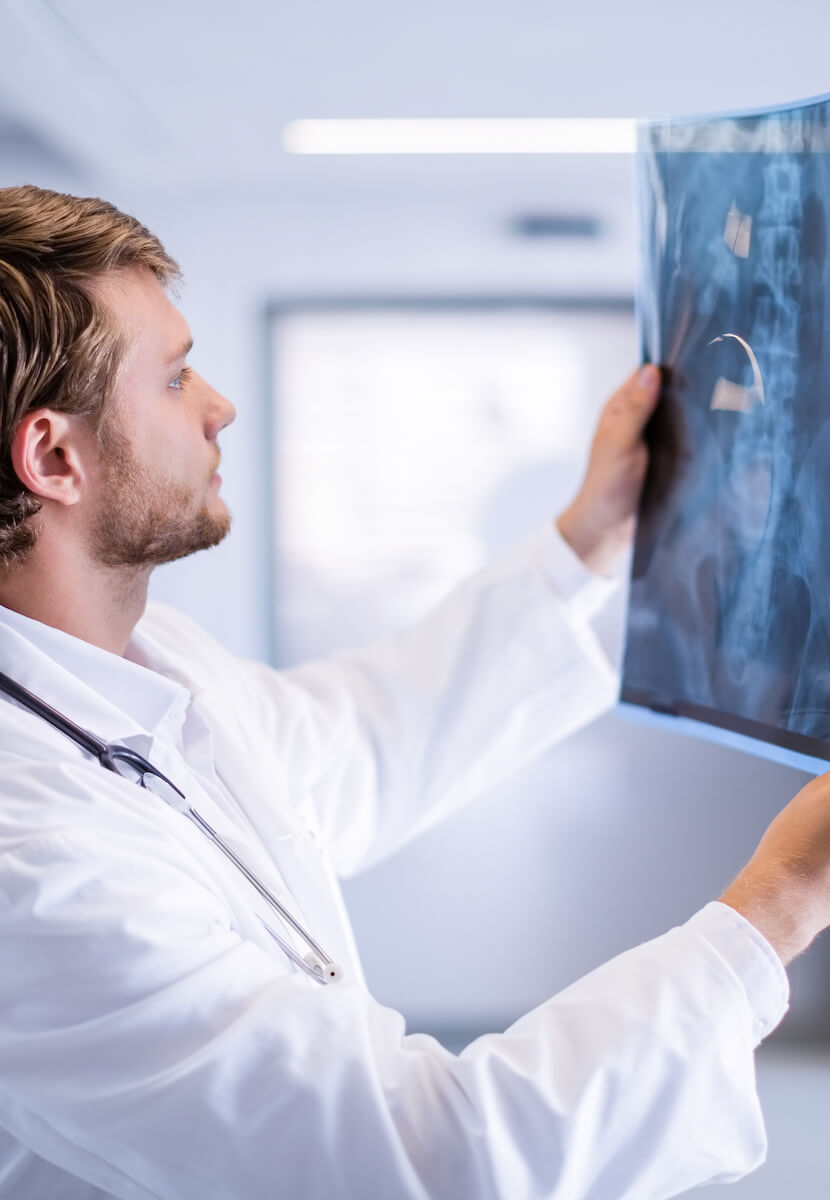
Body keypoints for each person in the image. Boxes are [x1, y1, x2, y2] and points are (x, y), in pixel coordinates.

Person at [0, 183, 825, 1200]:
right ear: (53, 457)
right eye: (172, 380)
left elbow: (358, 742)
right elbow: (433, 1163)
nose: (220, 403)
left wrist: (587, 540)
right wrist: (784, 895)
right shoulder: (30, 863)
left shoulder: (146, 662)